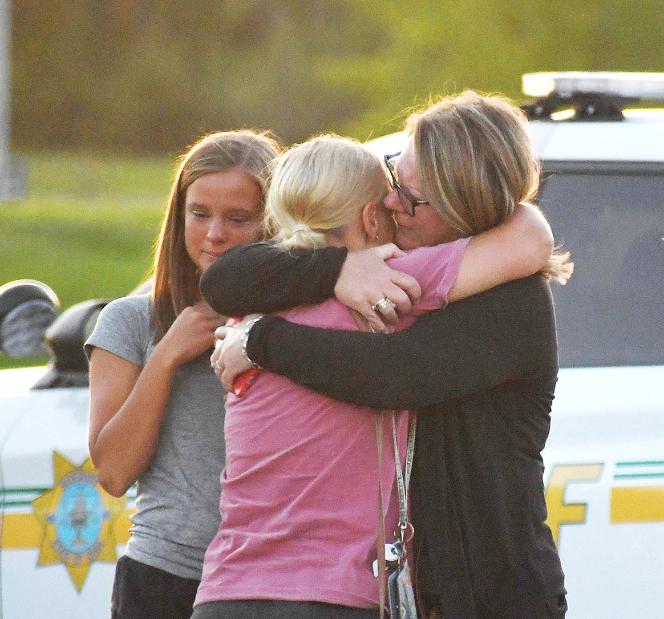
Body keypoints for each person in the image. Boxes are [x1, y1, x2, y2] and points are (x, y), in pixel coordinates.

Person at [203, 91, 572, 618]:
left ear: (464, 208)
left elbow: (394, 373)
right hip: (410, 596)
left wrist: (261, 341)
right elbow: (226, 279)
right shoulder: (384, 271)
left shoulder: (512, 303)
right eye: (394, 177)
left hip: (492, 598)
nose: (392, 203)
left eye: (411, 199)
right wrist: (337, 269)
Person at [85, 130, 281, 619]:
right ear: (179, 215)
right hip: (163, 576)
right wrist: (168, 354)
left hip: (273, 579)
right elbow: (114, 473)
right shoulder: (130, 320)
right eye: (199, 214)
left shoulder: (299, 321)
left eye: (238, 218)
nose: (215, 234)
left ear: (274, 220)